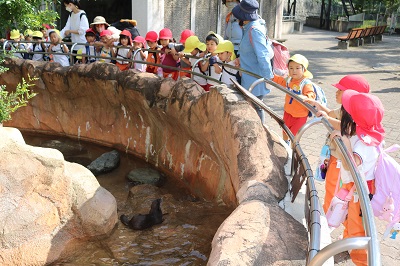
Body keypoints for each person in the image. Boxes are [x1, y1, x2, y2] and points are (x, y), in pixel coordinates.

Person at [330, 90, 384, 266]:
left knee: (358, 227)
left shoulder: (363, 142)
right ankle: (348, 242)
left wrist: (344, 140)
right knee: (352, 220)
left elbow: (351, 165)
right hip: (356, 186)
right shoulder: (367, 132)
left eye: (345, 110)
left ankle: (362, 261)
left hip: (360, 190)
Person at [304, 75, 371, 214]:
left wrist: (327, 119)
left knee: (333, 191)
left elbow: (349, 128)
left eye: (340, 90)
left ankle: (326, 220)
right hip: (333, 157)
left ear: (350, 95)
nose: (336, 92)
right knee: (330, 187)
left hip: (340, 161)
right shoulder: (344, 109)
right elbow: (331, 114)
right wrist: (318, 104)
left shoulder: (355, 113)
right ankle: (326, 216)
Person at [231, 0, 273, 124]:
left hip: (255, 78)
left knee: (256, 107)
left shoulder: (254, 30)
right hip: (248, 76)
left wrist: (268, 78)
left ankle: (260, 133)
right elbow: (249, 50)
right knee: (253, 106)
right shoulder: (248, 27)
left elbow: (263, 56)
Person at [272, 54, 315, 140]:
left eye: (297, 68)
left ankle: (293, 149)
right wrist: (272, 77)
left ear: (304, 69)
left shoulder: (305, 83)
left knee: (294, 135)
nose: (294, 71)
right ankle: (285, 145)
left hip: (300, 115)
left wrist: (305, 97)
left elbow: (311, 94)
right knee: (285, 129)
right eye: (291, 68)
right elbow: (282, 82)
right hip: (288, 112)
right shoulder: (289, 79)